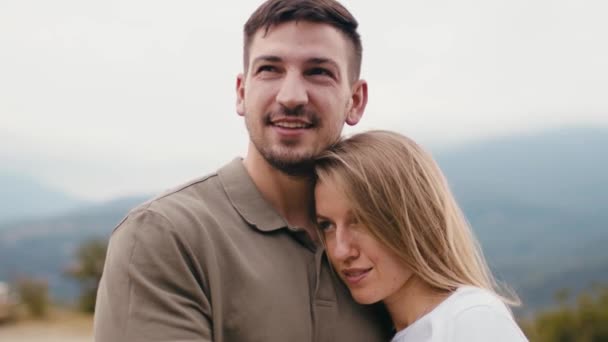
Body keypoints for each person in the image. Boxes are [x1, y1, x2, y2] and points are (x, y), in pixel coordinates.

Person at [94, 0, 391, 341]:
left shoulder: (389, 244)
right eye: (269, 69)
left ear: (355, 100)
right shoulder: (166, 236)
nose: (291, 96)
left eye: (318, 71)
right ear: (241, 92)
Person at [313, 130, 529, 342]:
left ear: (413, 219)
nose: (340, 251)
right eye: (327, 225)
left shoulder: (469, 318)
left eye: (360, 220)